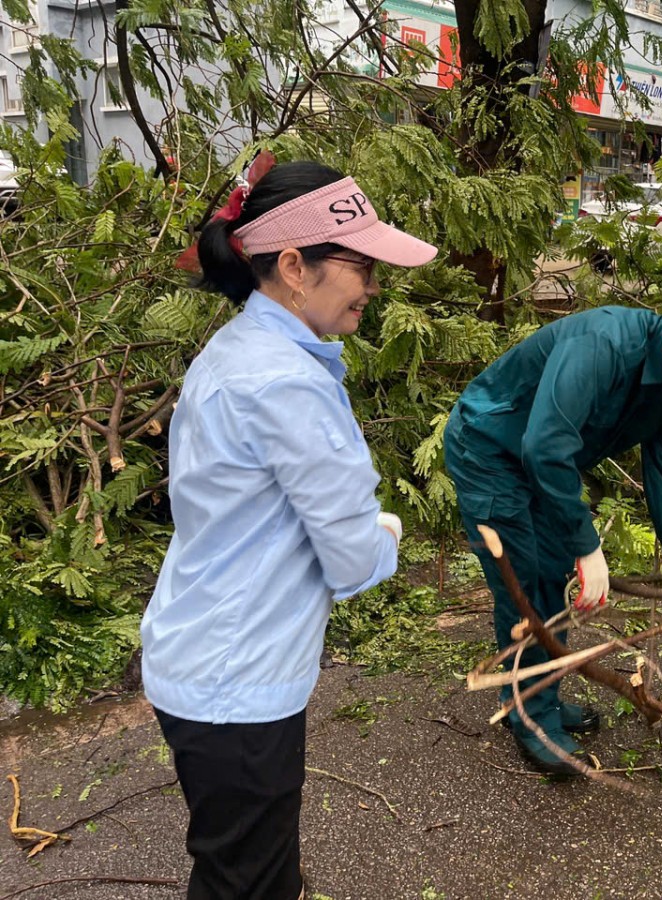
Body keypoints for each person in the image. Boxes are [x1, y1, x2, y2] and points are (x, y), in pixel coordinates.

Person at [142, 158, 437, 898]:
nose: (372, 285)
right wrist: (388, 533)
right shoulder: (287, 382)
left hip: (204, 654)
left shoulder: (236, 351)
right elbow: (352, 560)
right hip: (238, 682)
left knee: (244, 866)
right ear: (296, 265)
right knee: (247, 882)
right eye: (361, 264)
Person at [443, 277, 662, 775]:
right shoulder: (600, 345)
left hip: (542, 461)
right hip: (490, 449)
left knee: (550, 571)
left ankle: (539, 698)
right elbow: (546, 444)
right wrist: (588, 544)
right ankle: (531, 717)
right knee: (524, 581)